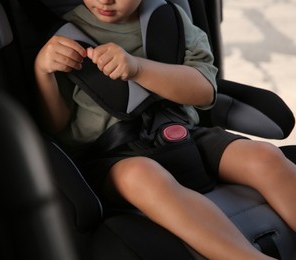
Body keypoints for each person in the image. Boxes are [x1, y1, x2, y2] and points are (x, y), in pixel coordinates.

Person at [34, 0, 296, 258]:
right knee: (141, 174)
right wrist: (43, 71)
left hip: (184, 133)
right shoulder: (63, 39)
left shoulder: (171, 19)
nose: (105, 0)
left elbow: (204, 92)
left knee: (266, 157)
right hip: (113, 155)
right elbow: (56, 126)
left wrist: (138, 69)